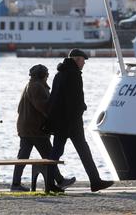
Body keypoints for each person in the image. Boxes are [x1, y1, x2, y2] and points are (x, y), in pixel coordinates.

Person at [45, 49, 113, 192]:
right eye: (82, 60)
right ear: (76, 60)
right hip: (72, 122)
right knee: (83, 151)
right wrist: (81, 109)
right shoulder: (74, 75)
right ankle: (95, 181)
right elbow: (74, 101)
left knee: (57, 152)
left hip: (60, 122)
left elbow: (55, 99)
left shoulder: (59, 74)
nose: (83, 64)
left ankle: (50, 184)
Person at [10, 64, 76, 192]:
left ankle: (16, 183)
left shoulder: (31, 85)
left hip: (26, 127)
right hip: (35, 129)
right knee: (49, 155)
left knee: (23, 156)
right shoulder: (37, 87)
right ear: (43, 75)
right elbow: (43, 107)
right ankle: (59, 181)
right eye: (47, 74)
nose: (48, 76)